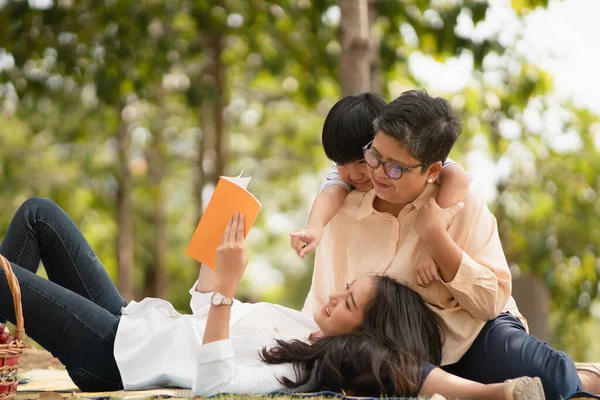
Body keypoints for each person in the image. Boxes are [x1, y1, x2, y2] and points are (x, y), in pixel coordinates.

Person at [0, 197, 543, 399]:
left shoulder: (299, 370)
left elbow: (214, 385)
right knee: (39, 214)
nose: (332, 299)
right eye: (345, 291)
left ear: (360, 335)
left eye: (347, 304)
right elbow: (200, 315)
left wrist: (229, 290)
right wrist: (218, 258)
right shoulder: (301, 322)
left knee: (5, 281)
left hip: (115, 357)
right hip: (133, 324)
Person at [302, 89, 598, 399]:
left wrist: (436, 238)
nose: (377, 173)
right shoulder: (342, 210)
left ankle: (587, 376)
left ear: (432, 171)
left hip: (470, 333)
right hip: (397, 349)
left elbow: (490, 301)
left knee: (551, 383)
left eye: (395, 168)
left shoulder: (460, 202)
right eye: (374, 156)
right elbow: (328, 294)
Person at [290, 93, 471, 287]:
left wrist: (431, 243)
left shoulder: (411, 156)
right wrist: (314, 229)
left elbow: (457, 177)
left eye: (361, 161)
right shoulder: (346, 174)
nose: (353, 174)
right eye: (341, 163)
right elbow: (329, 194)